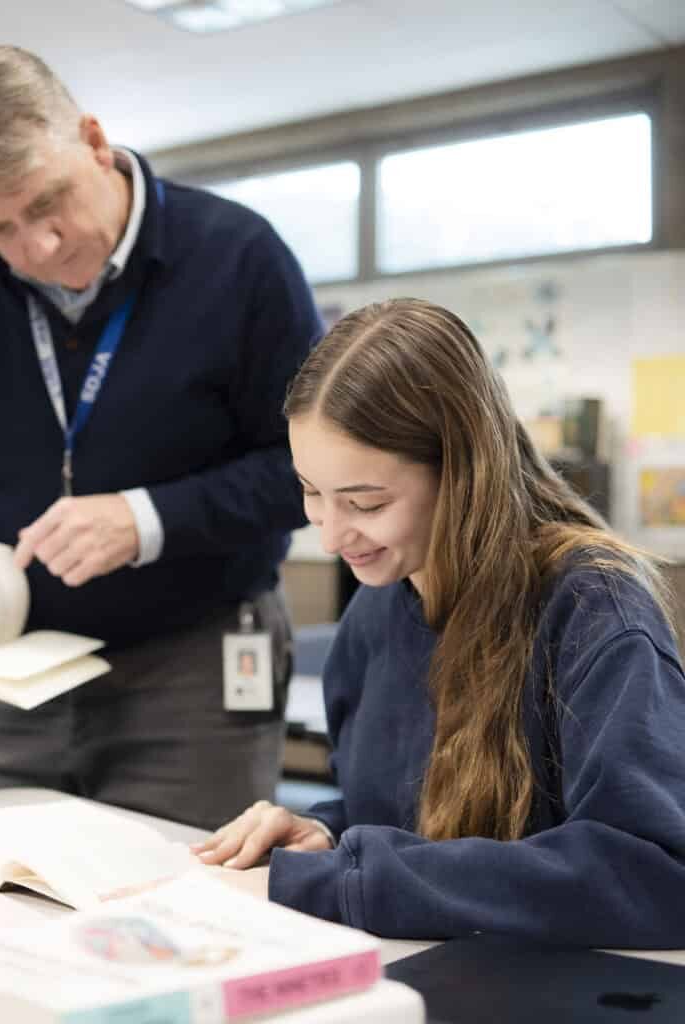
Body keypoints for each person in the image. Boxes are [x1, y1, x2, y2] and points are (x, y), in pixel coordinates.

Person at [0, 46, 322, 829]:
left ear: (94, 141)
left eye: (49, 201)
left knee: (190, 910)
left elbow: (305, 470)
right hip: (19, 659)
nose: (40, 248)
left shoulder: (238, 257)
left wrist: (146, 520)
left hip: (197, 655)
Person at [194, 298, 685, 948]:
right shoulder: (380, 602)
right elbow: (407, 820)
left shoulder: (595, 611)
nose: (334, 532)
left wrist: (351, 882)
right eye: (311, 492)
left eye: (365, 501)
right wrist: (328, 835)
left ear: (462, 474)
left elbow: (655, 875)